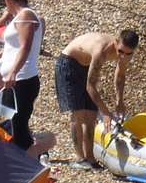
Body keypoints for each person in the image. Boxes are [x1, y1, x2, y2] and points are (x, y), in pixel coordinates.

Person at [0, 0, 52, 157]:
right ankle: (8, 161)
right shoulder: (19, 17)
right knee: (1, 123)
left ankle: (33, 163)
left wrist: (13, 71)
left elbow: (25, 46)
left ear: (8, 0)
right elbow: (11, 49)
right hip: (13, 82)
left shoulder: (26, 16)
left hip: (23, 80)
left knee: (18, 126)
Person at [55, 30, 139, 168]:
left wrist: (119, 101)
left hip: (85, 65)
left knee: (91, 115)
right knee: (79, 114)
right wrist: (106, 113)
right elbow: (90, 86)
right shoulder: (101, 50)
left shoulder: (126, 54)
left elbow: (120, 75)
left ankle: (90, 159)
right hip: (69, 63)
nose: (123, 56)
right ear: (116, 42)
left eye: (128, 53)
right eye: (120, 52)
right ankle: (81, 158)